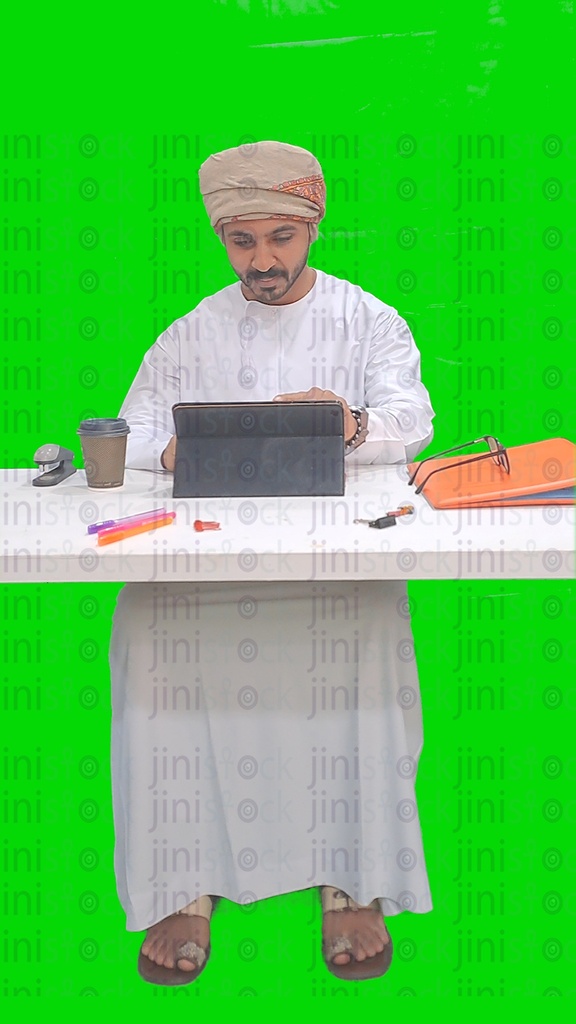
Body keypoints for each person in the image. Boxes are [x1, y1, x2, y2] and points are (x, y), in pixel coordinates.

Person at [110, 141, 435, 985]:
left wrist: (353, 424)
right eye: (243, 241)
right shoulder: (192, 331)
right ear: (224, 241)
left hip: (335, 564)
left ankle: (353, 882)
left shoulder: (367, 321)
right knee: (150, 636)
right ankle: (186, 881)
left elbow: (416, 419)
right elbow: (132, 427)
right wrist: (175, 449)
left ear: (313, 227)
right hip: (203, 564)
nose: (264, 260)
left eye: (282, 237)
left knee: (361, 644)